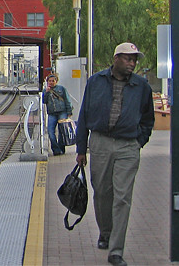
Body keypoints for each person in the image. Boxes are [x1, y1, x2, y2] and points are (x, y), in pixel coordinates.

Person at [75, 42, 155, 266]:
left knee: (122, 197)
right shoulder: (96, 82)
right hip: (100, 142)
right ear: (116, 58)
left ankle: (116, 250)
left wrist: (139, 141)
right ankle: (106, 232)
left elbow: (148, 119)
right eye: (128, 59)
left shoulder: (142, 86)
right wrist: (81, 148)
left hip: (128, 146)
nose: (132, 63)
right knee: (102, 192)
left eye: (135, 60)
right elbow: (84, 115)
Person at [42, 73, 72, 155]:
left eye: (53, 81)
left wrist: (69, 112)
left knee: (62, 131)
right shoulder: (45, 90)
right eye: (49, 81)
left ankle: (61, 149)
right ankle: (56, 149)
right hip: (52, 113)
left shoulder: (61, 89)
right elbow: (44, 101)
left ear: (56, 81)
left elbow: (67, 100)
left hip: (62, 112)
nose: (51, 82)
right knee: (50, 132)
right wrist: (47, 92)